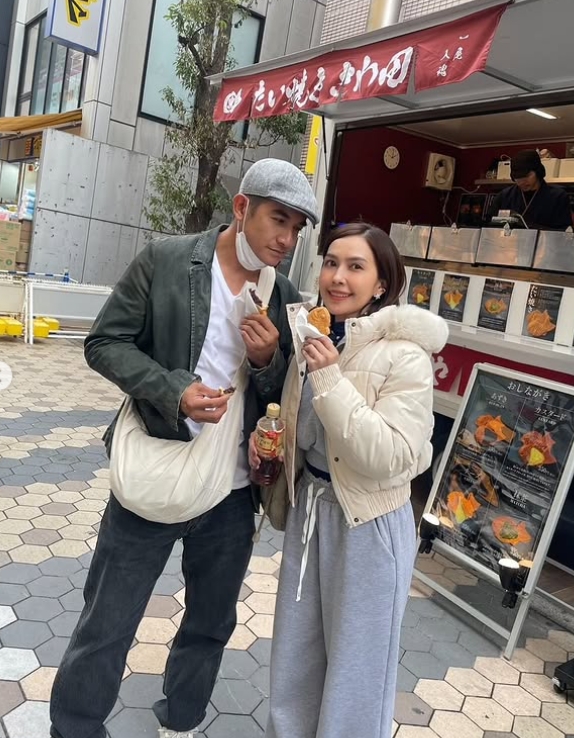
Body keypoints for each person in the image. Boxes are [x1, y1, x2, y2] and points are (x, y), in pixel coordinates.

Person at [49, 158, 319, 738]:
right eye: (278, 219)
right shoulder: (166, 260)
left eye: (297, 228)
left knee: (210, 624)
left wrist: (267, 360)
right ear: (242, 207)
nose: (287, 239)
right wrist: (175, 391)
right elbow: (104, 343)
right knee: (107, 622)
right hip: (155, 468)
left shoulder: (285, 295)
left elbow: (284, 396)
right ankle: (74, 727)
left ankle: (182, 720)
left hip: (232, 492)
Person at [250, 222, 449, 738]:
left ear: (382, 283)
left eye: (356, 267)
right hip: (311, 510)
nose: (338, 277)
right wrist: (270, 439)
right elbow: (305, 428)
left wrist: (330, 378)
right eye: (331, 263)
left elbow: (391, 455)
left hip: (369, 523)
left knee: (357, 667)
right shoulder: (314, 336)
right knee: (295, 652)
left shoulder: (405, 355)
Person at [490, 149, 572, 230]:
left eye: (527, 176)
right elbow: (491, 227)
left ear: (538, 171)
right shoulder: (504, 197)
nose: (522, 182)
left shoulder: (558, 196)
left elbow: (564, 231)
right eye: (518, 178)